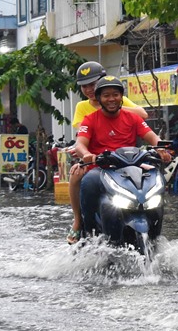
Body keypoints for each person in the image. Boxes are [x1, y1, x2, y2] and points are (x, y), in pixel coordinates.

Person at [67, 76, 170, 243]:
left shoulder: (133, 117)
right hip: (103, 167)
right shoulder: (90, 119)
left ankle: (155, 231)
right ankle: (86, 228)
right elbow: (80, 143)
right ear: (99, 98)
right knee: (88, 182)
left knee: (157, 179)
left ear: (121, 97)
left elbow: (152, 136)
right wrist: (87, 154)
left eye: (115, 94)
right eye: (106, 95)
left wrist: (161, 148)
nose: (111, 99)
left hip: (131, 166)